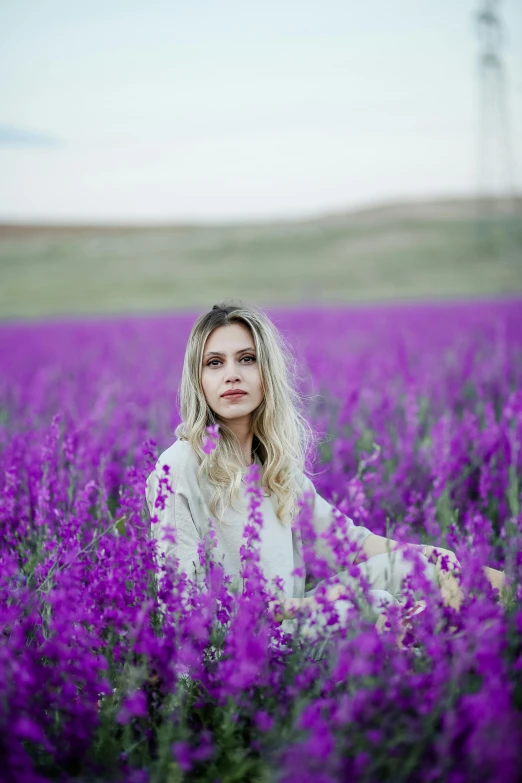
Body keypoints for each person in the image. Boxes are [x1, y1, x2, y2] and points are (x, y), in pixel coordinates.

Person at [145, 303, 505, 638]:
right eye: (214, 363)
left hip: (292, 623)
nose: (232, 375)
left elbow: (349, 546)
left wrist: (433, 555)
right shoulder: (179, 467)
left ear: (267, 372)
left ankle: (494, 610)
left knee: (423, 571)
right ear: (198, 379)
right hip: (238, 650)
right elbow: (182, 610)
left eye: (247, 359)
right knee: (372, 607)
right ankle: (443, 645)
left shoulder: (275, 468)